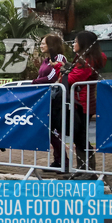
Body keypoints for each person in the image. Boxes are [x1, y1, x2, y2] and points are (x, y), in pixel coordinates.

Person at [68, 31, 106, 176]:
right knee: (79, 136)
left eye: (76, 41)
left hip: (82, 103)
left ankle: (88, 172)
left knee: (81, 136)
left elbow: (71, 79)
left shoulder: (89, 60)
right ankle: (82, 169)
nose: (73, 44)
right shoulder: (84, 59)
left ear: (83, 43)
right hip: (81, 102)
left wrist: (61, 70)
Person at [33, 35, 68, 171]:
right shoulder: (45, 61)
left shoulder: (60, 58)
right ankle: (58, 161)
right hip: (47, 98)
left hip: (56, 99)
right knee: (51, 132)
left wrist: (35, 83)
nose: (41, 46)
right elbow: (40, 77)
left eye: (43, 43)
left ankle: (64, 162)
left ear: (51, 44)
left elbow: (52, 77)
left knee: (55, 131)